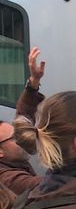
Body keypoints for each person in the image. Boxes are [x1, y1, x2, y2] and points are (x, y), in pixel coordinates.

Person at [0, 47, 46, 195]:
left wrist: (33, 82)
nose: (21, 136)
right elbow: (44, 186)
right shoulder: (6, 178)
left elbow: (23, 115)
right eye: (14, 137)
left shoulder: (13, 162)